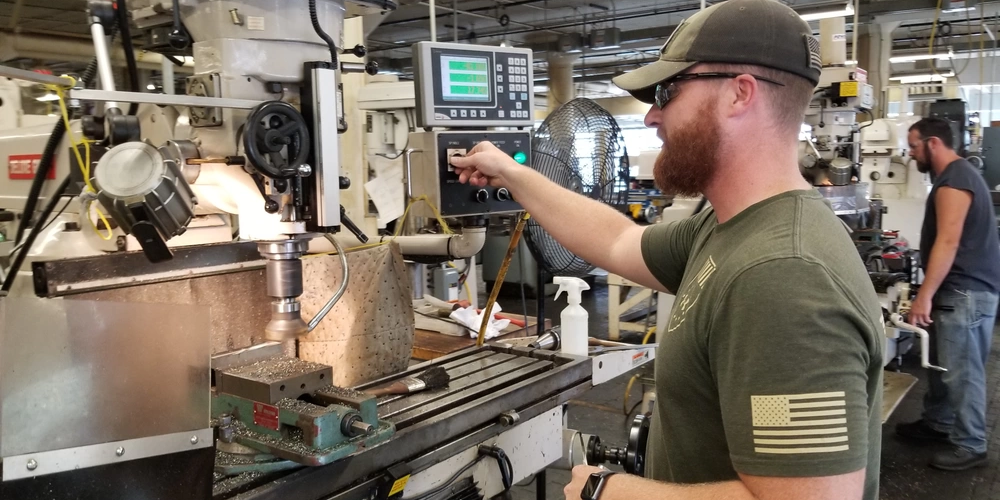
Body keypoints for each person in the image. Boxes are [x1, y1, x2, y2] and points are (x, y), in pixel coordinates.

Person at [450, 0, 884, 498]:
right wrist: (513, 173)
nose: (653, 116)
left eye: (667, 92)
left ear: (739, 94)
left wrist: (608, 491)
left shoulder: (782, 273)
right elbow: (617, 239)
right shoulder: (730, 227)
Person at [895, 117, 1000, 471]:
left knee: (961, 369)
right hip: (958, 290)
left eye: (914, 146)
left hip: (964, 292)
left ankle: (971, 444)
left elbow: (949, 241)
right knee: (941, 365)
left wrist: (924, 295)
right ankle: (938, 422)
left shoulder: (955, 180)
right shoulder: (956, 177)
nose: (911, 154)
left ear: (934, 143)